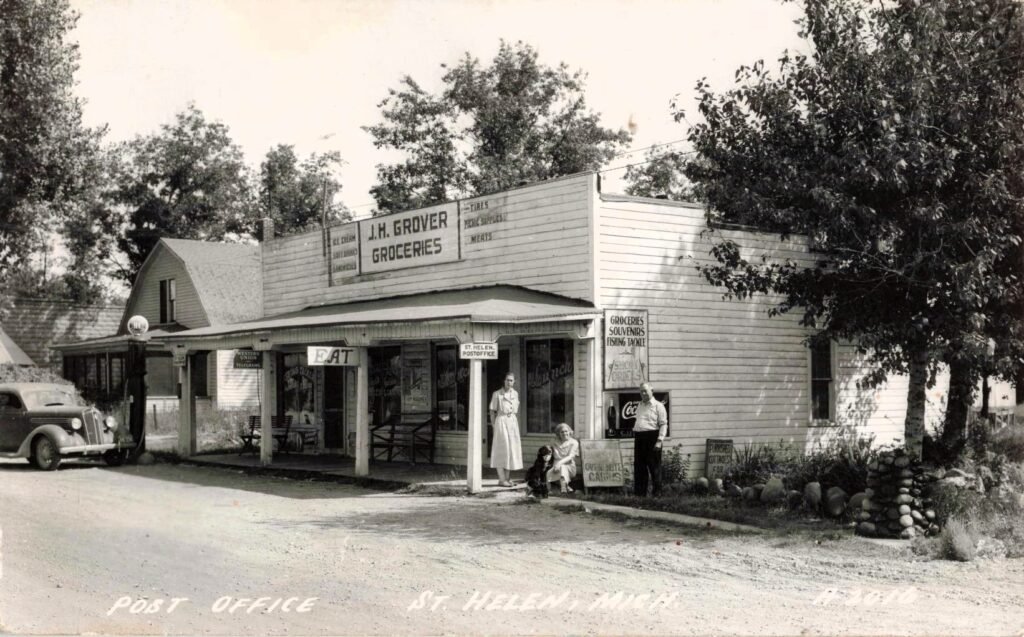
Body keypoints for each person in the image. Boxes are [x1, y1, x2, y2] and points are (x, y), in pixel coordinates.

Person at [633, 382, 668, 496]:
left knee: (654, 468)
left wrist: (659, 440)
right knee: (639, 467)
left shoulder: (658, 406)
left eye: (645, 391)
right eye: (641, 391)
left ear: (651, 391)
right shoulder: (639, 405)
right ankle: (640, 495)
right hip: (639, 437)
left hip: (652, 438)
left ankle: (657, 495)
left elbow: (663, 424)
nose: (643, 393)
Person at [489, 371, 523, 487]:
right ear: (504, 381)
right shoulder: (497, 394)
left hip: (512, 422)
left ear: (514, 382)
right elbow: (492, 411)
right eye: (507, 380)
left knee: (511, 450)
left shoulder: (515, 394)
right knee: (502, 450)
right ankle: (502, 479)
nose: (509, 382)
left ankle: (507, 479)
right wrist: (494, 426)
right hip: (501, 421)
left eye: (511, 380)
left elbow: (515, 410)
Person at [546, 422, 580, 494]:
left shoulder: (574, 442)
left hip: (569, 466)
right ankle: (553, 489)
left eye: (566, 431)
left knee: (563, 468)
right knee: (548, 474)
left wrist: (559, 463)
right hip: (556, 466)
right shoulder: (554, 442)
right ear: (558, 433)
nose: (564, 433)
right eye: (562, 432)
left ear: (569, 432)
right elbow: (548, 452)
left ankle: (563, 489)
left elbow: (570, 456)